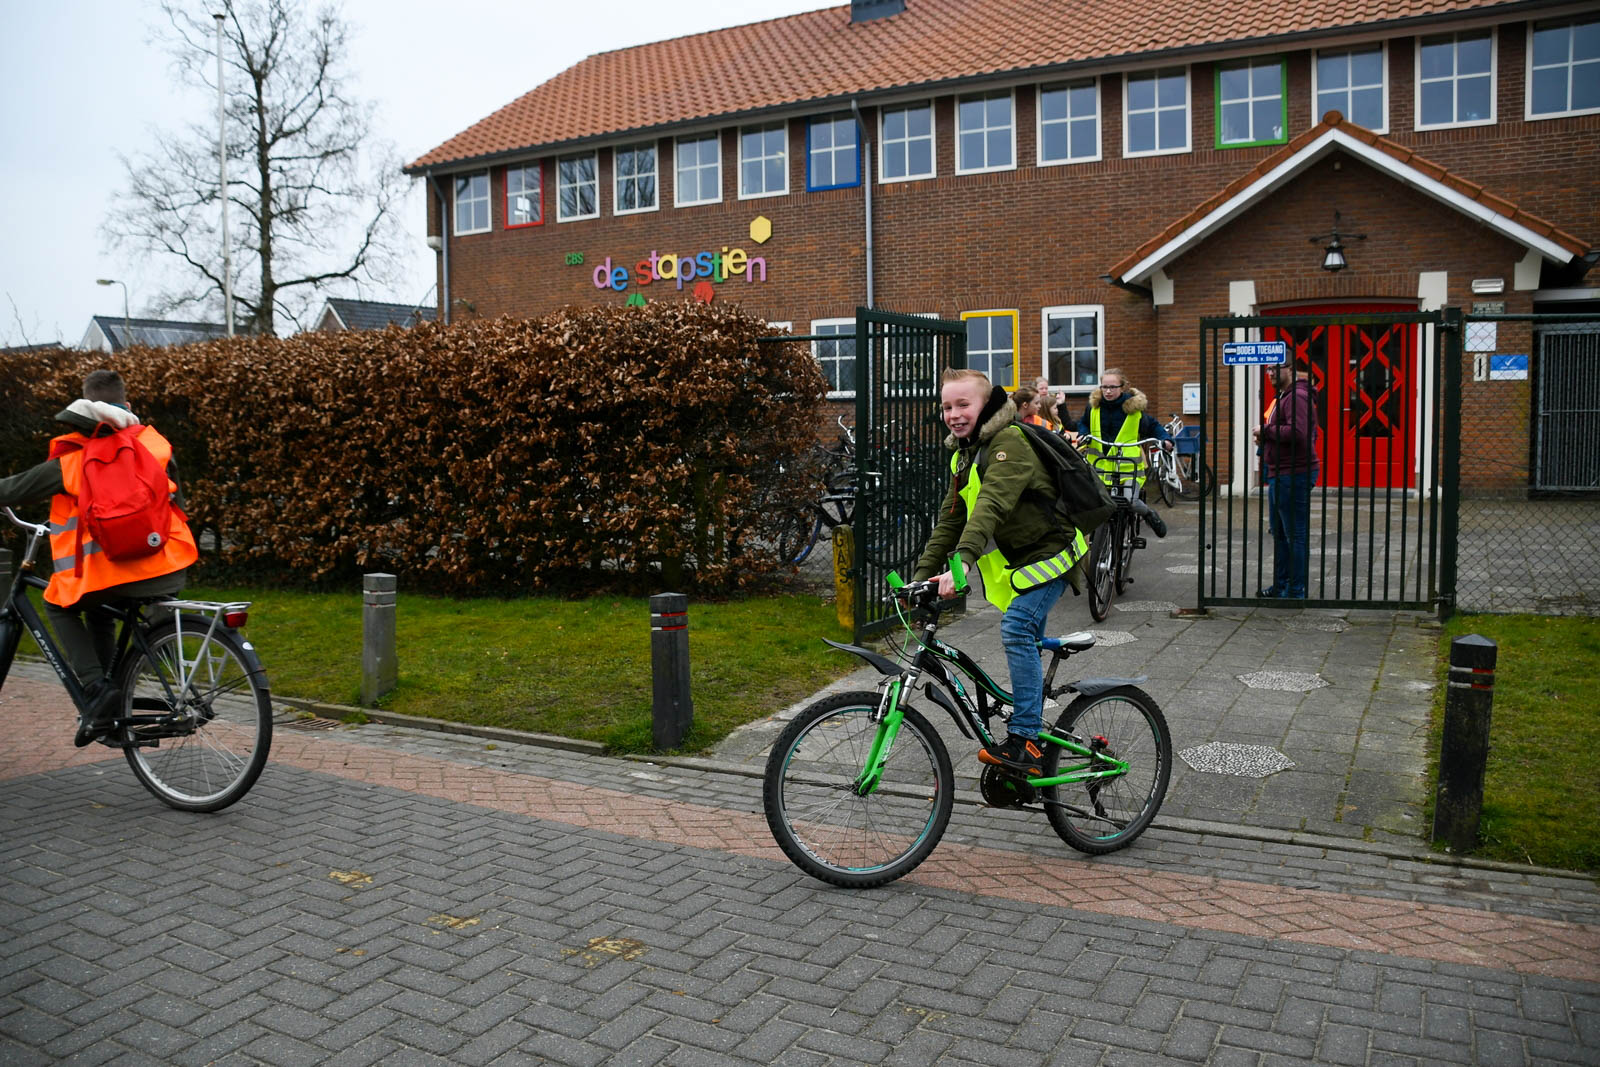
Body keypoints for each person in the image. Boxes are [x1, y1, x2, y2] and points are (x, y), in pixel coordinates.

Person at [0, 370, 198, 745]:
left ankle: (95, 688)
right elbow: (179, 506)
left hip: (116, 576)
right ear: (127, 406)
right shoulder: (156, 447)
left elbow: (12, 489)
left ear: (85, 409)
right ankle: (113, 705)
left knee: (57, 604)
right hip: (170, 569)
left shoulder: (74, 461)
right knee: (100, 614)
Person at [910, 369, 1088, 779]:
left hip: (1053, 553)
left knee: (1016, 629)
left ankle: (1025, 739)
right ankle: (1029, 754)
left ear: (987, 404)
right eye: (946, 407)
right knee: (1024, 640)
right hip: (1022, 561)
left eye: (963, 404)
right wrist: (919, 577)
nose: (953, 414)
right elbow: (951, 520)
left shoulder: (1009, 443)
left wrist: (963, 562)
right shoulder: (964, 455)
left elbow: (991, 504)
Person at [1253, 362, 1319, 598]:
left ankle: (1295, 590)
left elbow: (1298, 433)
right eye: (1268, 369)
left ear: (1290, 369)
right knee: (1280, 534)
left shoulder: (1297, 397)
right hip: (1279, 472)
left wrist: (1266, 431)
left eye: (1275, 368)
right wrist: (1267, 437)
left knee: (1294, 535)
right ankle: (1281, 585)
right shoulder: (1285, 396)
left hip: (1293, 474)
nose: (1270, 373)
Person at [1071, 369, 1172, 493]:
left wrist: (1165, 439)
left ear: (1122, 387)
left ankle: (1141, 507)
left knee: (1130, 500)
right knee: (1094, 501)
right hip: (1099, 469)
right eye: (1104, 387)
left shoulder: (1134, 409)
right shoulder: (1093, 407)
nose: (1108, 391)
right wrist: (1084, 434)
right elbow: (1083, 423)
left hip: (1129, 469)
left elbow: (1152, 426)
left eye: (1113, 387)